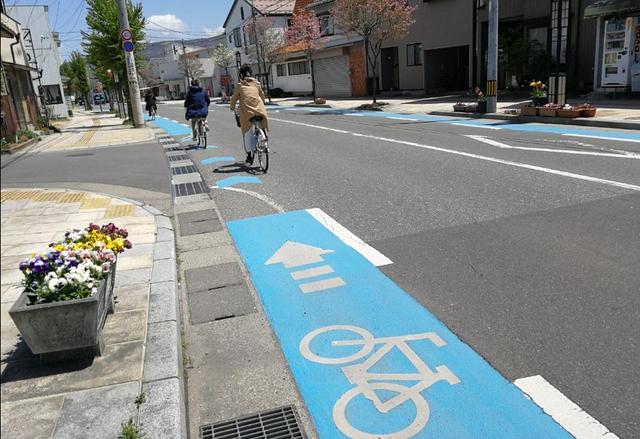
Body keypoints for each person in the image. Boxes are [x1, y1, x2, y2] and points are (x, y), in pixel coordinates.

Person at [230, 65, 269, 164]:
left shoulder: (240, 85)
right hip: (260, 109)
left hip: (247, 113)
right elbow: (262, 96)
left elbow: (234, 98)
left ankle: (248, 156)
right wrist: (262, 105)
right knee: (261, 123)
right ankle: (264, 137)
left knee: (247, 133)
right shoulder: (257, 83)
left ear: (241, 75)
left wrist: (232, 107)